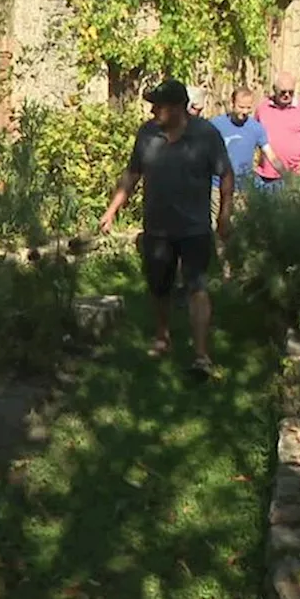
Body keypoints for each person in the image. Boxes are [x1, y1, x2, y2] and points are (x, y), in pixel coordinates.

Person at [99, 78, 234, 379]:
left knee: (197, 286)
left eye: (158, 105)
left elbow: (225, 175)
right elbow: (132, 174)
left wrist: (225, 213)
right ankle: (163, 337)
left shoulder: (205, 134)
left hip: (195, 227)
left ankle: (201, 355)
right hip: (158, 228)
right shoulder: (147, 134)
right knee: (159, 287)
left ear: (176, 108)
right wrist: (111, 210)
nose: (152, 110)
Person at [209, 86, 288, 223]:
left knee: (240, 230)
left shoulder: (256, 128)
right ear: (232, 104)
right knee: (217, 227)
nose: (244, 112)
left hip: (243, 188)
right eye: (241, 107)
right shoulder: (216, 125)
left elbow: (270, 155)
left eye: (248, 108)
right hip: (218, 187)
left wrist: (287, 176)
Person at [253, 71, 300, 192]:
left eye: (291, 92)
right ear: (274, 89)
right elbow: (253, 133)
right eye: (283, 92)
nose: (287, 95)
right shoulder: (263, 108)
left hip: (293, 175)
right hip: (265, 174)